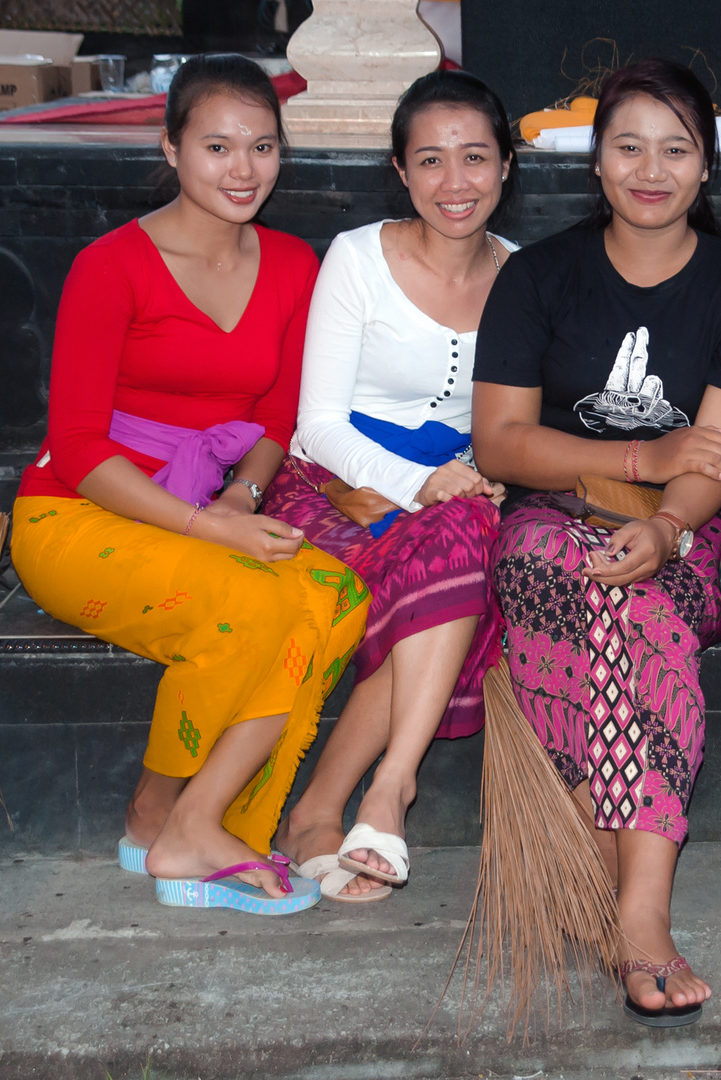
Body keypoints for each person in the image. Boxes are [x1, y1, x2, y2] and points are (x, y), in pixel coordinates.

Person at [9, 55, 369, 915]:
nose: (243, 170)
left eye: (263, 148)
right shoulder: (111, 266)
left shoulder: (290, 265)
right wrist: (207, 528)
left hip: (214, 507)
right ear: (170, 148)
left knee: (333, 592)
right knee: (248, 603)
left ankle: (205, 820)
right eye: (216, 146)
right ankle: (169, 817)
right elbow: (79, 445)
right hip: (78, 514)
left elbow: (277, 422)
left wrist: (240, 500)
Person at [472, 60, 721, 1024]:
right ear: (596, 164)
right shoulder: (538, 276)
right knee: (573, 581)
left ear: (707, 171)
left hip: (688, 535)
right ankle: (634, 902)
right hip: (547, 524)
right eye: (628, 146)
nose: (651, 168)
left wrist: (663, 524)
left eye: (676, 148)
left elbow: (719, 457)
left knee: (635, 604)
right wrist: (646, 454)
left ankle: (632, 910)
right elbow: (499, 443)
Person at [263, 70, 518, 902]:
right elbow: (321, 423)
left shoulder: (525, 277)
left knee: (457, 548)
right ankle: (364, 799)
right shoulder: (357, 257)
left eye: (475, 158)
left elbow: (515, 420)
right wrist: (423, 484)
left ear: (507, 167)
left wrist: (476, 482)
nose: (456, 183)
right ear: (402, 172)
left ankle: (375, 790)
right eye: (431, 161)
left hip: (452, 497)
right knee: (454, 552)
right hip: (336, 486)